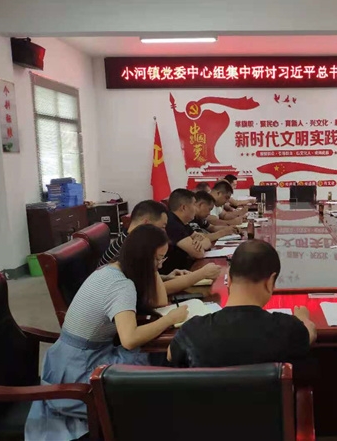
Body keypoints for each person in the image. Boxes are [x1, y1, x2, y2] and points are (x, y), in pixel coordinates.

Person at [25, 225, 189, 441]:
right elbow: (129, 339)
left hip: (66, 360)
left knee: (156, 360)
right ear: (142, 257)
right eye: (158, 259)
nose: (160, 265)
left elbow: (159, 301)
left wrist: (154, 267)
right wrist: (169, 319)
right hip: (81, 370)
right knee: (157, 368)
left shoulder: (110, 269)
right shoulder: (121, 285)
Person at [168, 239, 316, 367]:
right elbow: (309, 332)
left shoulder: (193, 330)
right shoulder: (287, 329)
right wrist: (302, 318)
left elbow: (170, 354)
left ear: (228, 278)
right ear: (270, 282)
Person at [98, 200, 168, 267]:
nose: (164, 232)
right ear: (146, 224)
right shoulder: (129, 250)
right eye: (162, 227)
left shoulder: (128, 238)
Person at [160, 189, 211, 275]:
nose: (196, 209)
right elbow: (198, 253)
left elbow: (206, 240)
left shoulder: (182, 222)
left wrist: (200, 243)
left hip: (184, 271)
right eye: (194, 204)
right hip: (173, 276)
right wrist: (198, 245)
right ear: (183, 207)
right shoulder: (172, 223)